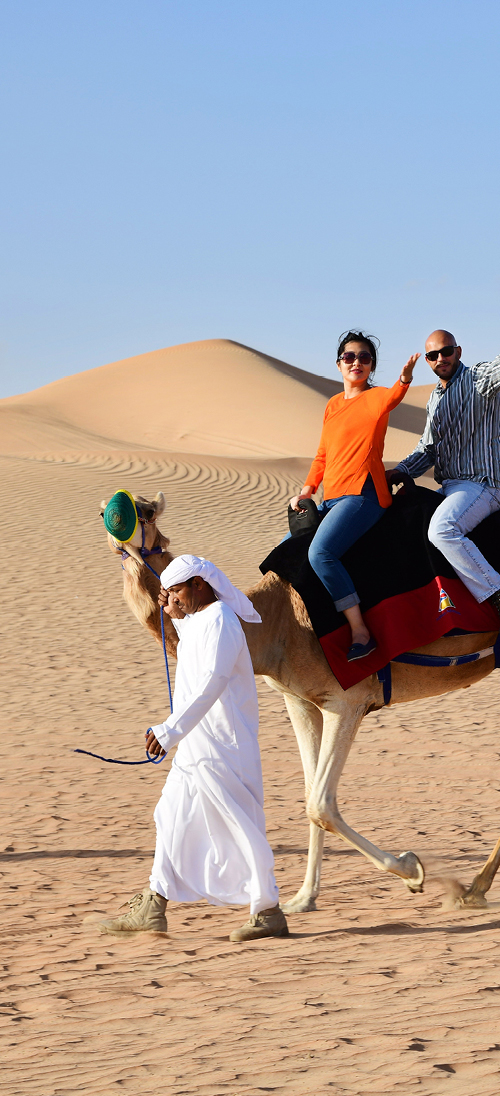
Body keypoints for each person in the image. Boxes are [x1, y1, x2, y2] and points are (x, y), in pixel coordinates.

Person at [99, 556, 287, 943]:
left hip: (222, 745)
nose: (173, 599)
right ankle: (155, 903)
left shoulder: (221, 620)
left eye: (178, 591)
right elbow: (193, 647)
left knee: (239, 825)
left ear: (200, 584)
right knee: (169, 815)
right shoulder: (200, 622)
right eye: (168, 594)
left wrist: (170, 730)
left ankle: (268, 909)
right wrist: (173, 614)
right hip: (196, 747)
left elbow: (212, 681)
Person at [388, 305, 500, 634]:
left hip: (484, 486)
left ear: (457, 352)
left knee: (441, 530)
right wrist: (398, 472)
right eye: (432, 355)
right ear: (427, 361)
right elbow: (427, 449)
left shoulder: (478, 379)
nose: (440, 358)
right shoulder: (435, 400)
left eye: (446, 351)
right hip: (452, 487)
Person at [292, 332, 419, 661]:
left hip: (363, 495)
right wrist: (307, 489)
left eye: (364, 358)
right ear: (339, 364)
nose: (357, 362)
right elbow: (322, 454)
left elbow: (393, 396)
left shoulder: (376, 398)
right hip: (329, 498)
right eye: (350, 357)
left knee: (321, 553)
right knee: (287, 548)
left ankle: (360, 631)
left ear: (371, 365)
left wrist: (404, 380)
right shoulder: (333, 405)